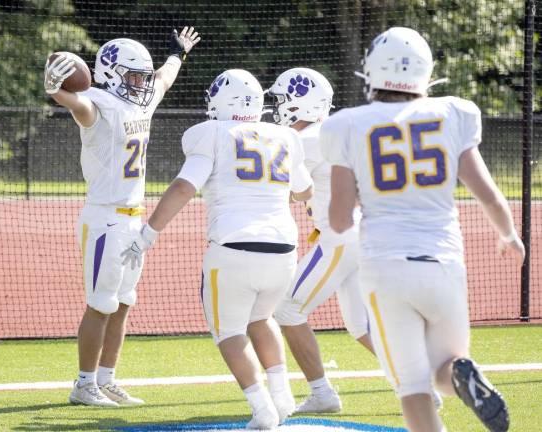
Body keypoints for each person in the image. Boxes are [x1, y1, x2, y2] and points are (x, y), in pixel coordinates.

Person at [320, 26, 525, 432]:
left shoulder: (347, 124)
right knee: (445, 372)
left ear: (371, 72)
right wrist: (509, 235)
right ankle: (461, 376)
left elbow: (340, 219)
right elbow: (488, 195)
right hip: (442, 262)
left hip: (385, 267)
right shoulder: (452, 113)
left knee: (412, 389)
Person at [121, 69, 313, 429]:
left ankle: (263, 408)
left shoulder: (210, 134)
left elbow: (183, 186)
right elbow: (304, 190)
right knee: (261, 318)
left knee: (229, 332)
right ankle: (282, 393)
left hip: (234, 247)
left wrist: (149, 233)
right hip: (284, 250)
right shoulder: (286, 136)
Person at [43, 27, 201, 407]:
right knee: (101, 304)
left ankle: (106, 379)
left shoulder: (140, 101)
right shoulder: (98, 103)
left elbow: (164, 77)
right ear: (112, 74)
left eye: (141, 77)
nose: (141, 84)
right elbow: (79, 107)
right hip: (105, 219)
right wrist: (55, 91)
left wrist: (178, 53)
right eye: (133, 76)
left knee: (124, 302)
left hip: (134, 219)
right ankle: (83, 384)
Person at [268, 67, 373, 414]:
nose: (278, 106)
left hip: (337, 238)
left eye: (283, 99)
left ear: (302, 103)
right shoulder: (330, 133)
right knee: (360, 327)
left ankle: (322, 392)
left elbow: (294, 192)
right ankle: (424, 383)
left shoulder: (305, 140)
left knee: (286, 308)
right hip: (357, 235)